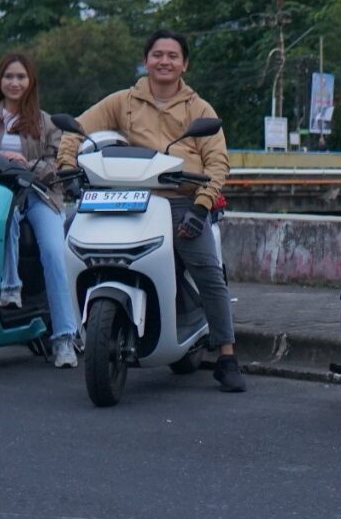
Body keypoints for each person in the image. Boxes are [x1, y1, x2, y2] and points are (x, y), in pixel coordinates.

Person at [59, 30, 247, 393]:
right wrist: (67, 166)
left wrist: (201, 206)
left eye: (172, 56)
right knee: (71, 236)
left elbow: (217, 162)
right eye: (157, 54)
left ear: (184, 64)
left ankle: (226, 354)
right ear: (146, 60)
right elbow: (77, 129)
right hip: (127, 196)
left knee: (208, 271)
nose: (164, 61)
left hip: (180, 201)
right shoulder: (123, 101)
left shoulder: (199, 109)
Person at [0, 52, 79, 367]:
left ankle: (65, 338)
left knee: (54, 254)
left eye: (21, 77)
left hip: (40, 195)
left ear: (31, 82)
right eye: (9, 76)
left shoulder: (47, 122)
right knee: (7, 215)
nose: (14, 83)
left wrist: (27, 165)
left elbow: (57, 163)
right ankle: (10, 287)